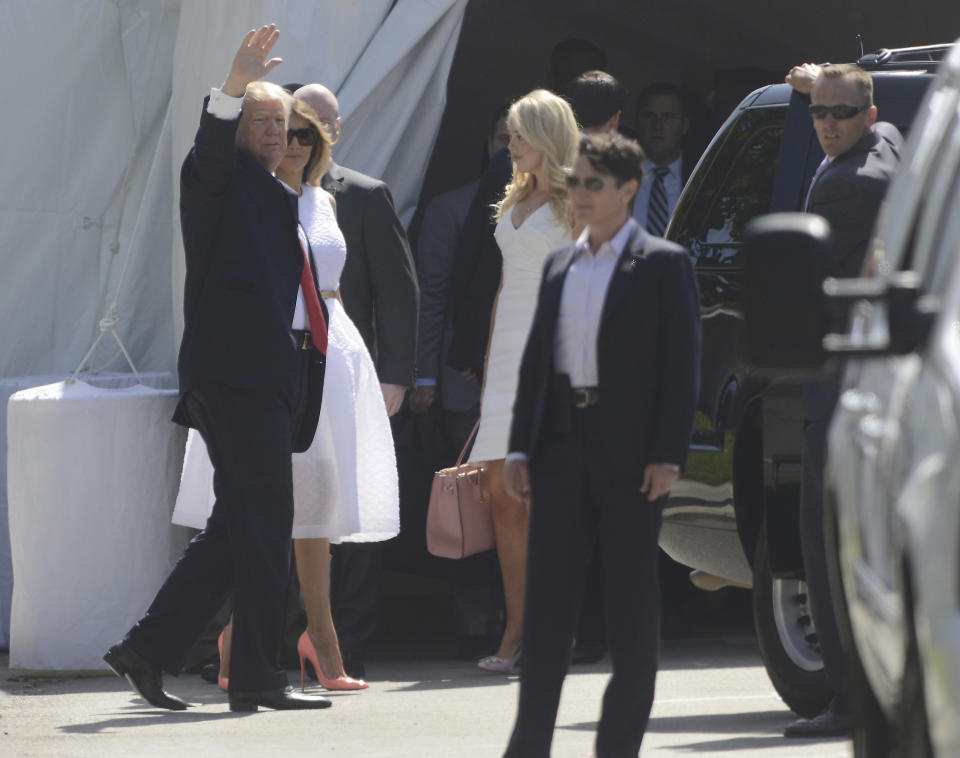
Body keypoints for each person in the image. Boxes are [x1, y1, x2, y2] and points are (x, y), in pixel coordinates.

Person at [102, 25, 332, 712]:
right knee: (266, 521)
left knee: (242, 522)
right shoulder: (217, 179)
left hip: (262, 376)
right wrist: (233, 85)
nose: (271, 133)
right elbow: (210, 147)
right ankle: (258, 678)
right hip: (233, 375)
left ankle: (146, 649)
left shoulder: (274, 192)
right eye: (259, 122)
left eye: (280, 124)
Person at [173, 98, 400, 692]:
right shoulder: (240, 188)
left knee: (314, 506)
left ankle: (316, 643)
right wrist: (233, 86)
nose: (291, 140)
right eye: (278, 128)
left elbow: (368, 283)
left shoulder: (328, 199)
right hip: (264, 359)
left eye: (303, 131)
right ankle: (233, 648)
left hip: (327, 351)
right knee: (256, 509)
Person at [501, 132, 700, 757]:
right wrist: (519, 447)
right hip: (561, 446)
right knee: (548, 606)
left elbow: (681, 366)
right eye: (576, 183)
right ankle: (528, 745)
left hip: (633, 456)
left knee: (630, 609)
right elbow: (539, 361)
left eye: (593, 184)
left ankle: (617, 748)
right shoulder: (562, 261)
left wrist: (668, 452)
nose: (580, 195)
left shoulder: (664, 263)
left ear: (627, 190)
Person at [782, 61, 903, 739]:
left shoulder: (853, 187)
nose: (827, 124)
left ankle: (849, 699)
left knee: (827, 542)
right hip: (879, 383)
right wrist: (822, 87)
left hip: (842, 381)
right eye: (818, 113)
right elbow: (869, 124)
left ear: (870, 117)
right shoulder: (887, 145)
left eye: (841, 114)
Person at [294, 82, 418, 679]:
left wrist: (395, 376)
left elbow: (399, 290)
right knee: (295, 509)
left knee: (352, 508)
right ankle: (274, 639)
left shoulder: (362, 194)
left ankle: (350, 639)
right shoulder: (264, 192)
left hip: (349, 372)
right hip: (291, 373)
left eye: (327, 122)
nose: (317, 133)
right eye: (304, 122)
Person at [466, 89, 579, 673]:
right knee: (502, 498)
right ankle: (517, 629)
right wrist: (488, 367)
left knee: (548, 496)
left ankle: (547, 631)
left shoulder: (576, 199)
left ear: (547, 137)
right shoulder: (514, 193)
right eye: (509, 136)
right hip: (507, 353)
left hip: (554, 355)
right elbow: (504, 290)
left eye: (519, 136)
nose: (510, 146)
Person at [631, 83, 693, 234]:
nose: (657, 126)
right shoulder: (616, 174)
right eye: (649, 116)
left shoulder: (702, 175)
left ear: (684, 125)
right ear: (636, 122)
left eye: (668, 117)